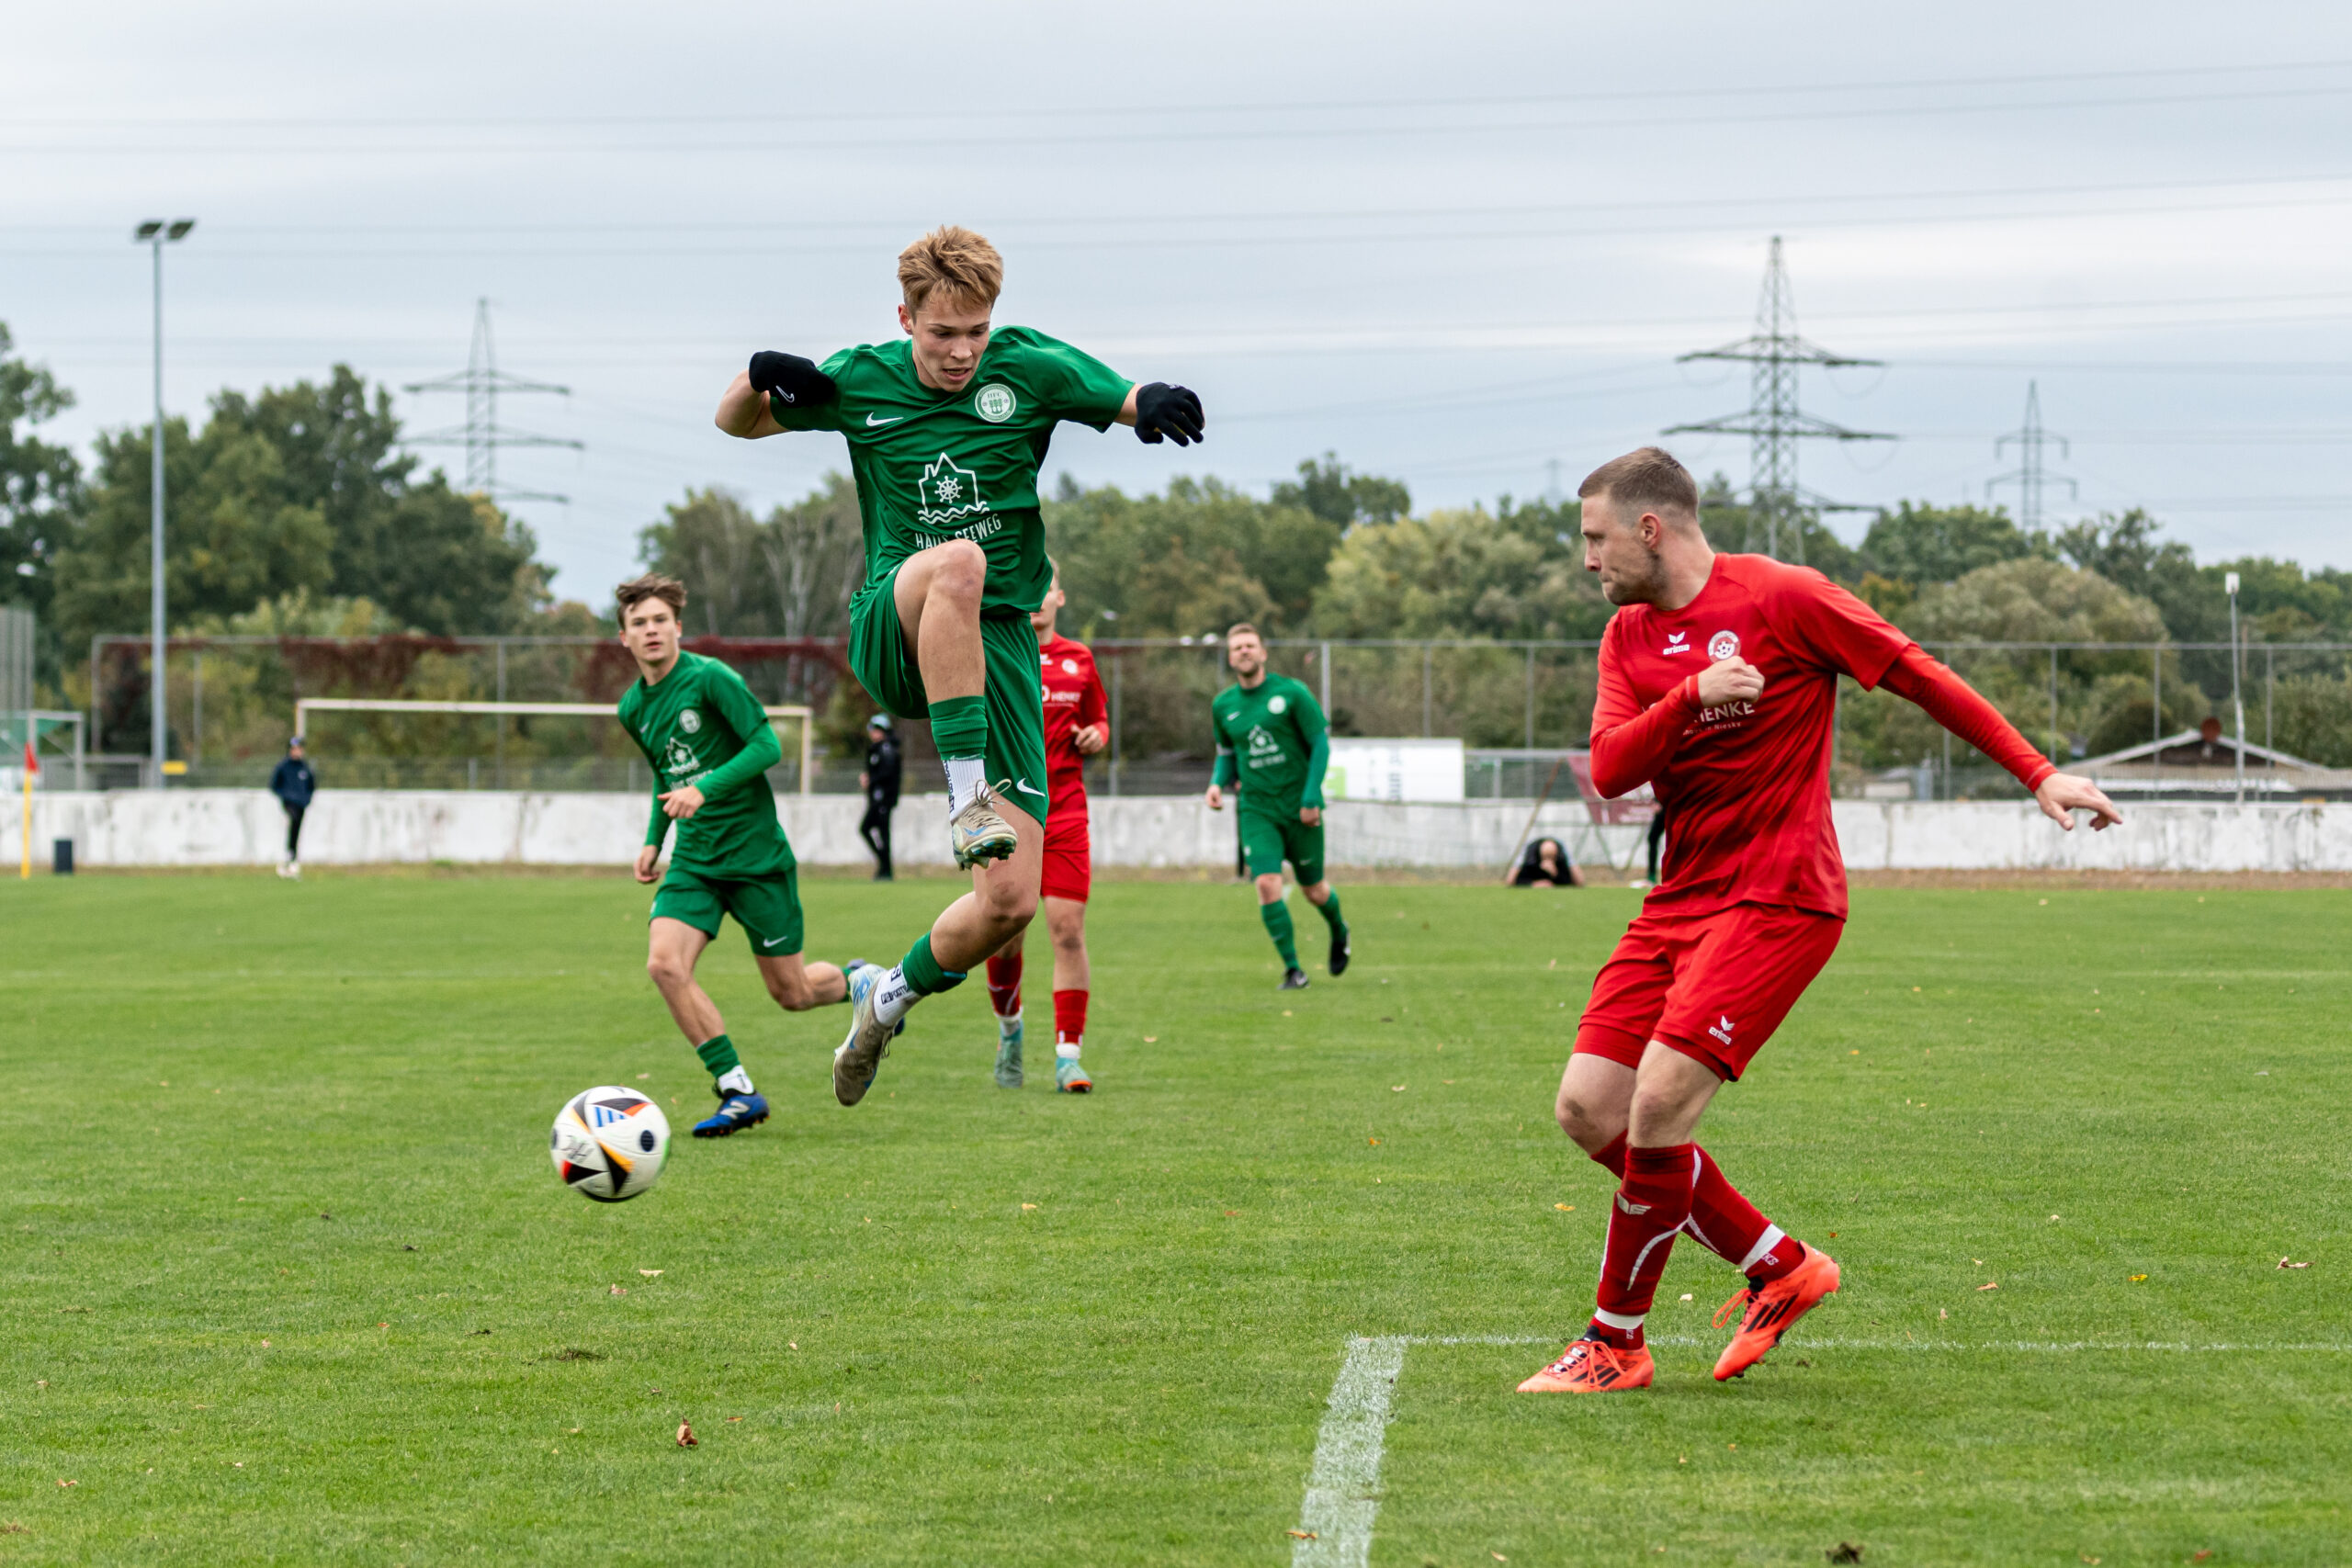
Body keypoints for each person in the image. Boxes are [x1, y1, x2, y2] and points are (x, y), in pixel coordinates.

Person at [1518, 447, 2120, 1395]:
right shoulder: (1626, 637)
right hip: (1681, 898)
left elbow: (1917, 673)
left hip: (1781, 895)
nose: (1587, 560)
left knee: (1659, 1102)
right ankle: (1781, 1266)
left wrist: (2037, 771)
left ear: (1649, 529)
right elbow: (1610, 768)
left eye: (1596, 539)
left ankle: (1615, 1341)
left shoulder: (1783, 597)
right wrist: (1688, 700)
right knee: (1588, 1107)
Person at [715, 224, 1203, 1107]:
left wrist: (1156, 401)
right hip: (896, 620)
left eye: (976, 331)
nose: (962, 351)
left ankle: (882, 1001)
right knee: (959, 562)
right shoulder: (862, 378)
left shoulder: (1028, 366)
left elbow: (1124, 397)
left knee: (1010, 901)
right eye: (943, 333)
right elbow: (735, 422)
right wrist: (759, 373)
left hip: (998, 651)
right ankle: (966, 795)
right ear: (906, 318)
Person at [614, 573, 863, 1137]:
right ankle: (736, 1089)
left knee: (792, 993)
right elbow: (665, 772)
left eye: (660, 620)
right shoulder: (632, 708)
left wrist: (704, 789)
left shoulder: (711, 679)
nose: (651, 631)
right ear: (624, 638)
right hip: (695, 863)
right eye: (639, 623)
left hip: (755, 859)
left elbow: (766, 746)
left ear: (678, 627)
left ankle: (861, 983)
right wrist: (655, 839)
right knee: (664, 965)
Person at [983, 557, 1106, 1092]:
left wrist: (1097, 735)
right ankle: (1010, 1030)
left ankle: (1068, 1057)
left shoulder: (1080, 659)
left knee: (1068, 931)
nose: (1037, 595)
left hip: (1066, 812)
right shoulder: (994, 652)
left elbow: (1098, 720)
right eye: (1028, 584)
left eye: (1046, 585)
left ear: (1059, 596)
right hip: (1009, 811)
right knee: (1006, 934)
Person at [1204, 624, 1351, 990]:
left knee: (1313, 890)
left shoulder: (1292, 693)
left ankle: (1339, 928)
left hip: (1299, 807)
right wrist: (1216, 783)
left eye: (1250, 645)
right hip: (1257, 810)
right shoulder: (1223, 706)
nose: (1244, 651)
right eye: (1237, 647)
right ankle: (1293, 970)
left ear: (1263, 652)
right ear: (1230, 657)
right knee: (1267, 884)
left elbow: (1320, 744)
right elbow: (1227, 754)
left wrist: (1311, 797)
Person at [858, 715, 901, 881]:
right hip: (876, 798)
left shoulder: (886, 749)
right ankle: (884, 867)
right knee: (874, 831)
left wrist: (871, 780)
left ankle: (885, 867)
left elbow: (887, 773)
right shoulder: (876, 749)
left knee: (873, 830)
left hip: (883, 799)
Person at [269, 737, 315, 880]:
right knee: (291, 823)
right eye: (295, 749)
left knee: (296, 830)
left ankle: (292, 859)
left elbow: (311, 786)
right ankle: (285, 858)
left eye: (299, 749)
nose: (297, 752)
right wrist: (286, 796)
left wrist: (306, 799)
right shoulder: (283, 767)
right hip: (288, 804)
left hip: (301, 805)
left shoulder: (305, 768)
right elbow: (274, 785)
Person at [1510, 836, 1584, 887]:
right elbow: (1515, 881)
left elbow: (1576, 882)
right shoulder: (1531, 858)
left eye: (1551, 857)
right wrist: (1533, 884)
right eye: (1546, 857)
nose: (1548, 861)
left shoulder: (1561, 858)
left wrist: (1556, 874)